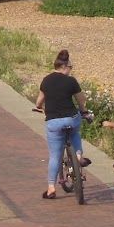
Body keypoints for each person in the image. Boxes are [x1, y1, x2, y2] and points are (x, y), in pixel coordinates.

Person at [35, 48, 91, 199]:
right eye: (70, 68)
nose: (70, 71)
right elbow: (81, 100)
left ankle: (51, 188)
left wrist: (39, 108)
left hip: (53, 122)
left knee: (55, 156)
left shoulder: (46, 80)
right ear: (65, 67)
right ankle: (79, 156)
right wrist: (84, 111)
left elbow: (39, 101)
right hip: (71, 118)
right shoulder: (71, 81)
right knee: (75, 131)